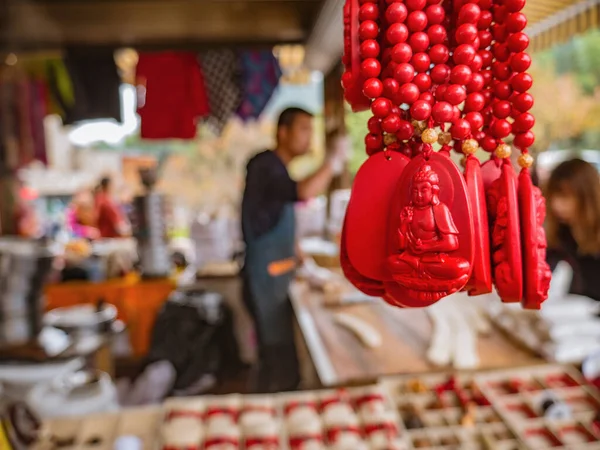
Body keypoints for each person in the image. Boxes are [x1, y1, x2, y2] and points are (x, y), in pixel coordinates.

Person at [241, 107, 348, 393]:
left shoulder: (278, 171)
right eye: (303, 129)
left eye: (310, 131)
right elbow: (302, 192)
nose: (308, 137)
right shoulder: (265, 165)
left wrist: (301, 257)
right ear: (282, 132)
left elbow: (274, 215)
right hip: (265, 280)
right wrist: (333, 160)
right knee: (277, 360)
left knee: (282, 356)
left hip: (279, 275)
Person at [545, 158, 600, 301]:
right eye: (552, 196)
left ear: (586, 197)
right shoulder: (560, 232)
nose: (556, 205)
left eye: (565, 197)